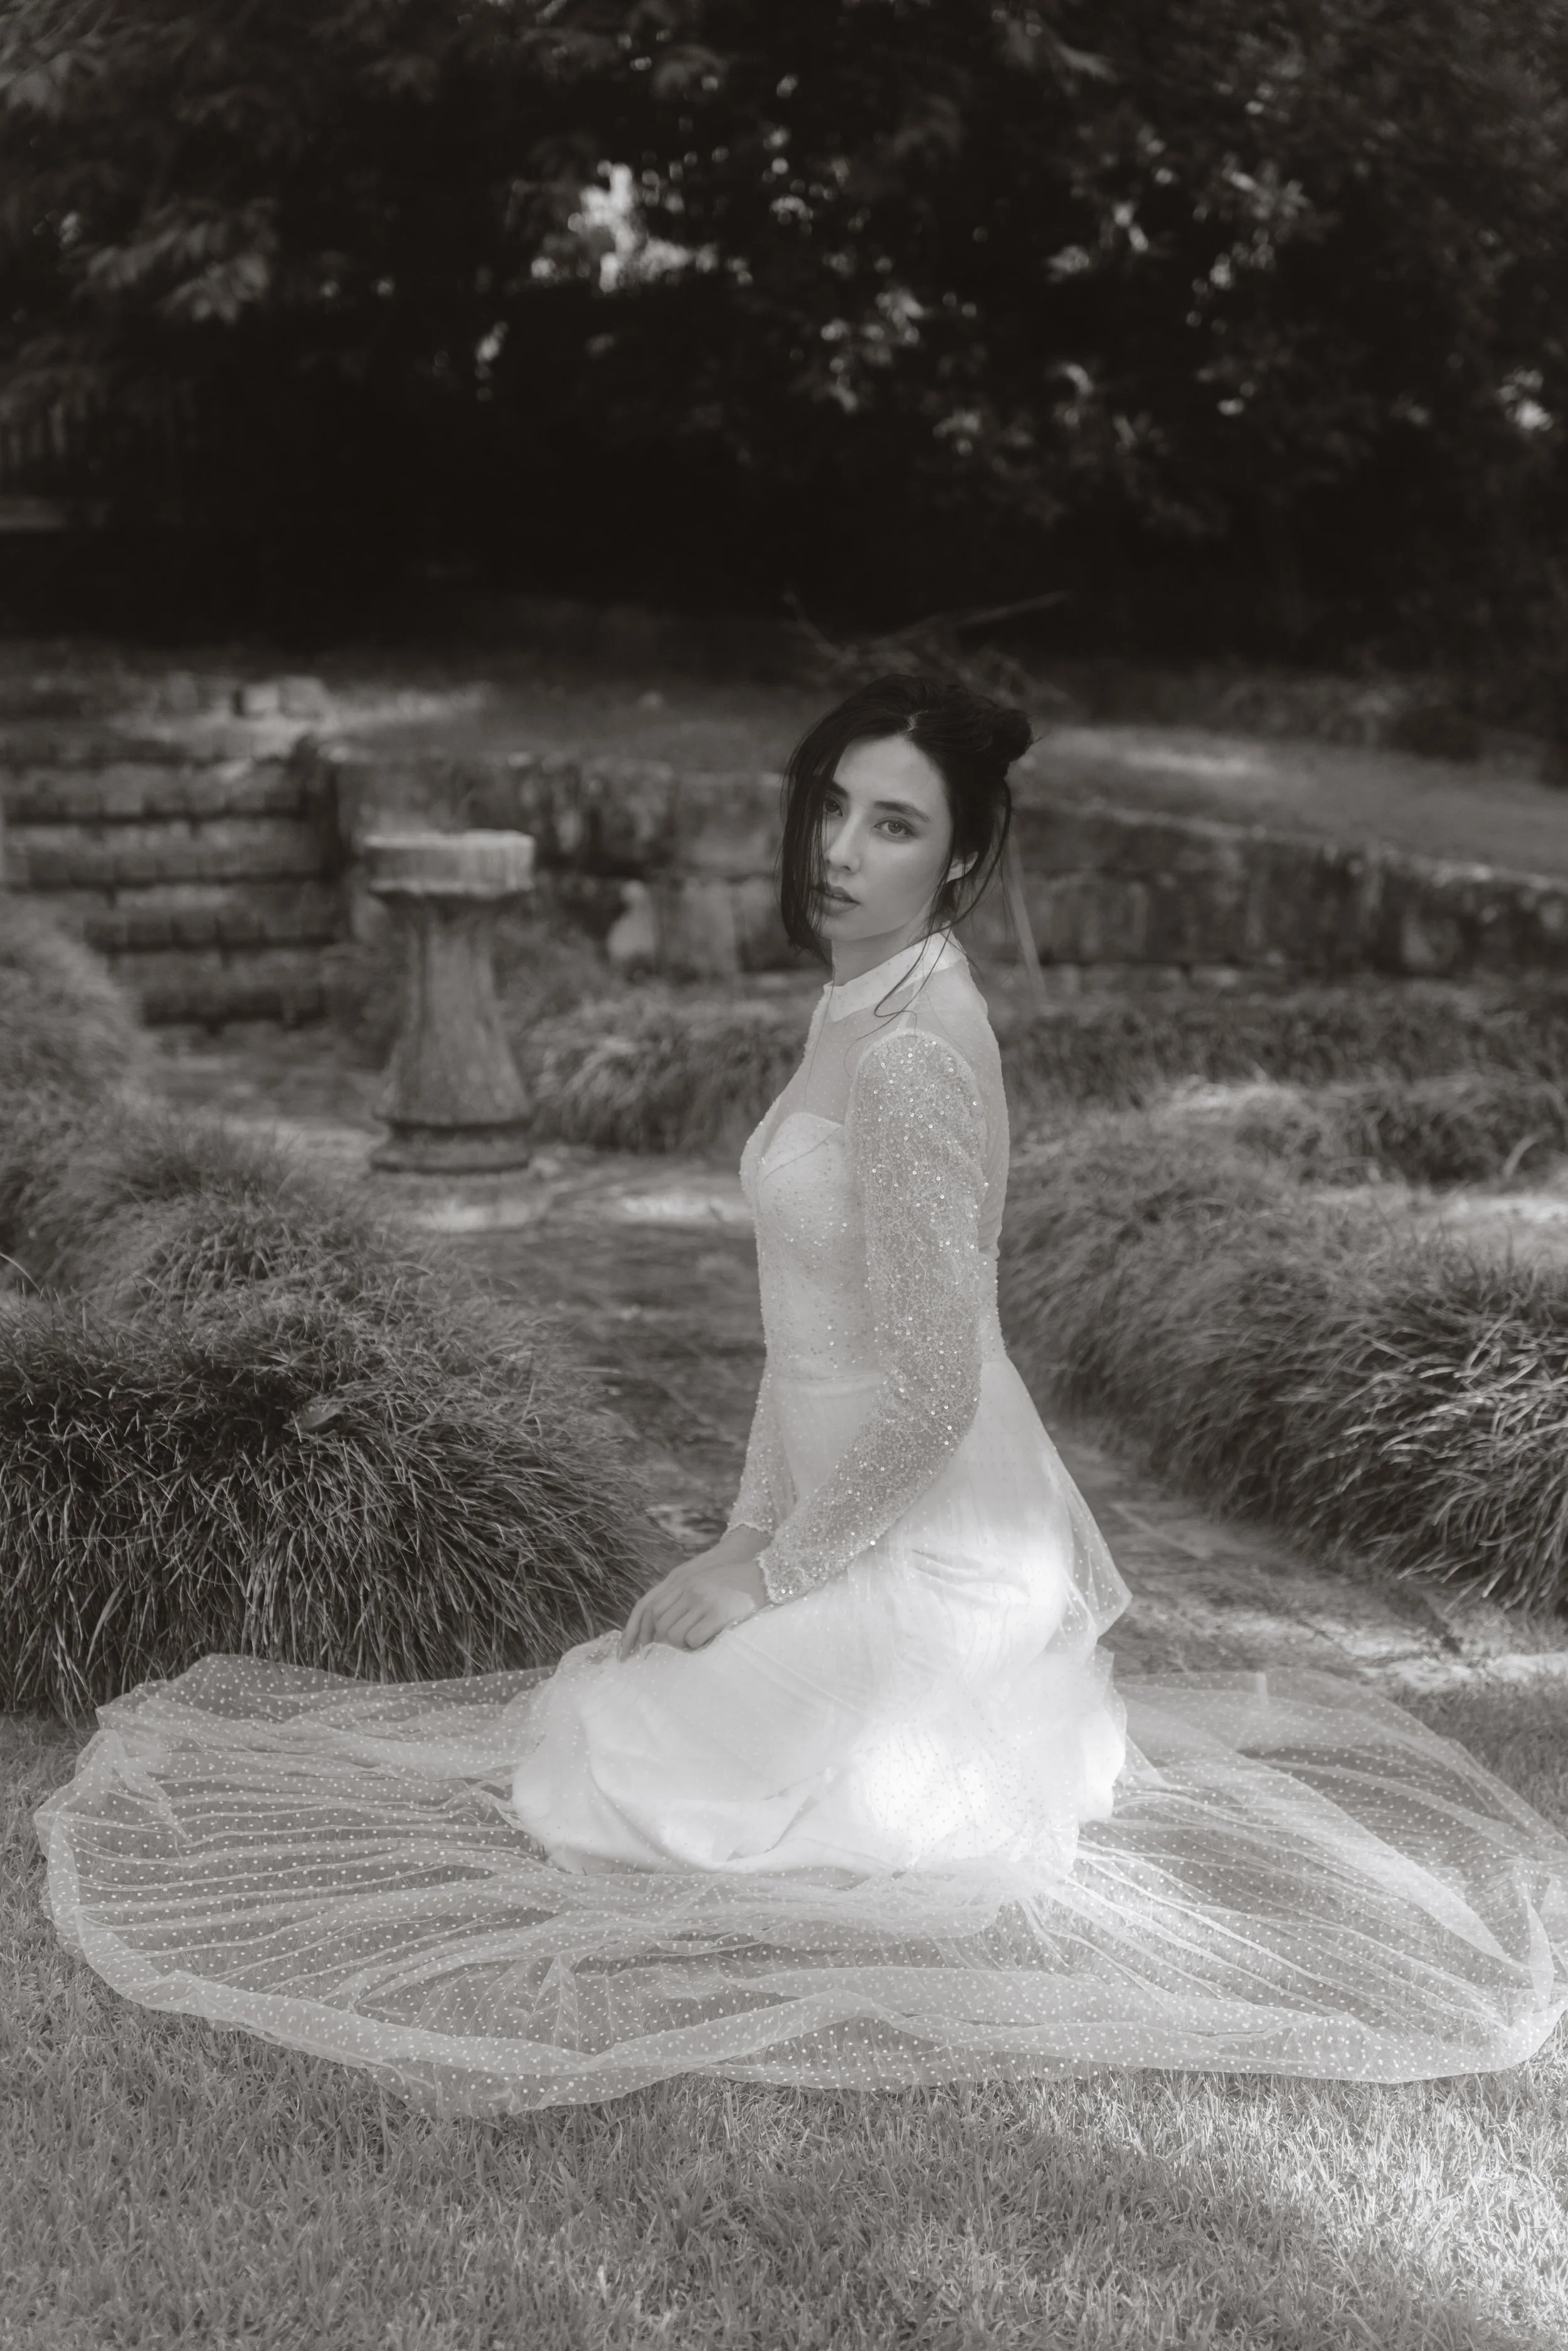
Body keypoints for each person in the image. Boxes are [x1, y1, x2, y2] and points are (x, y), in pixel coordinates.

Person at [36, 677, 1568, 2115]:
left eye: (891, 825)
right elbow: (802, 1343)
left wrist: (763, 1574)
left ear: (956, 861)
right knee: (618, 1713)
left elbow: (928, 1390)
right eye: (831, 807)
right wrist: (740, 1534)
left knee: (623, 1758)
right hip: (857, 1498)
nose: (839, 851)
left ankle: (931, 1731)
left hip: (936, 1526)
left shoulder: (906, 1060)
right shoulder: (864, 999)